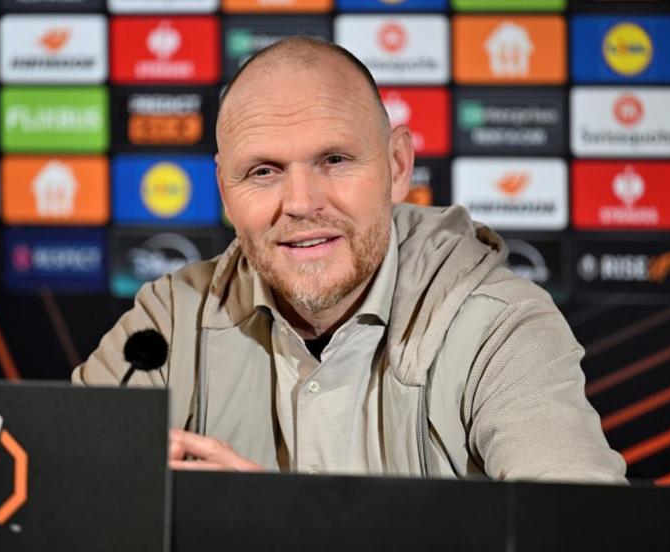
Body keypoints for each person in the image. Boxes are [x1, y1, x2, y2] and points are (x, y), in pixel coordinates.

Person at [73, 37, 626, 483]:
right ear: (224, 191)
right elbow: (57, 489)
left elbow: (578, 533)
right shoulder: (170, 320)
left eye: (334, 160)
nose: (301, 203)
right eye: (263, 171)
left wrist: (273, 527)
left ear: (398, 166)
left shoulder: (498, 326)